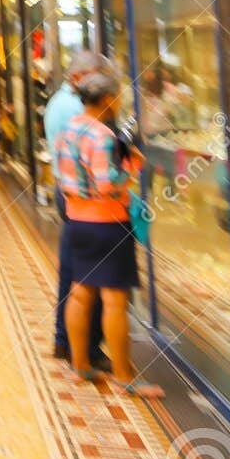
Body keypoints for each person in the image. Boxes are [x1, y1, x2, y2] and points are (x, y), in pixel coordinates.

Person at [53, 68, 162, 398]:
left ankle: (80, 366)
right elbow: (106, 183)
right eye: (116, 97)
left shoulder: (68, 131)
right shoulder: (101, 136)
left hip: (76, 222)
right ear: (106, 99)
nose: (118, 102)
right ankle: (125, 376)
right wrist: (132, 166)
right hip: (107, 223)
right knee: (115, 300)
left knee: (80, 292)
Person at [44, 51, 111, 368]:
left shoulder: (59, 101)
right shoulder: (76, 109)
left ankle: (65, 339)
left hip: (68, 191)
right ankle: (85, 347)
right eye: (97, 77)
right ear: (80, 77)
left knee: (73, 268)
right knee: (87, 275)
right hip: (84, 199)